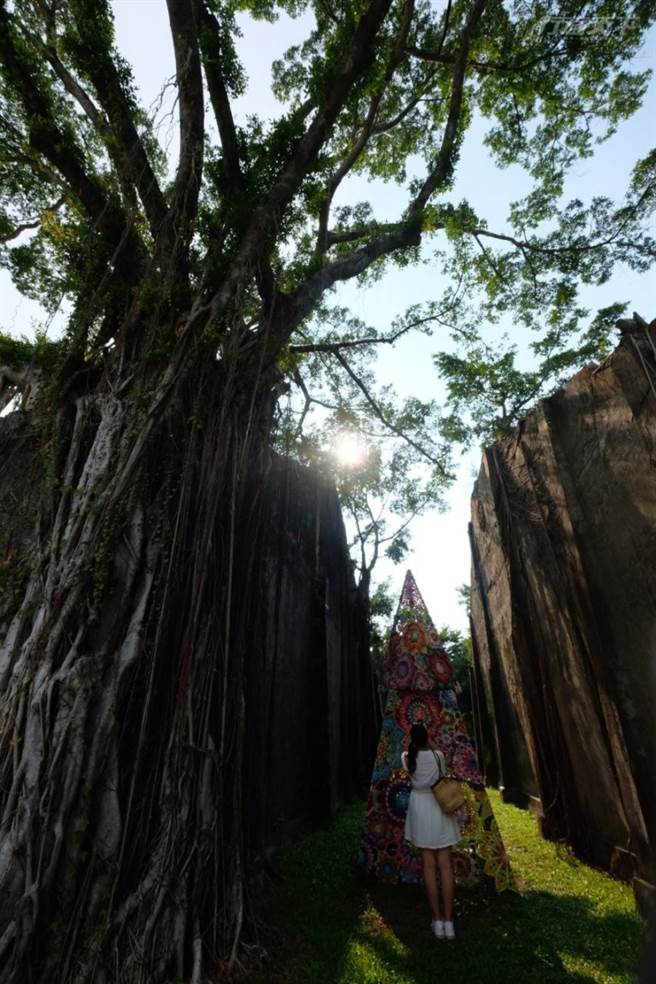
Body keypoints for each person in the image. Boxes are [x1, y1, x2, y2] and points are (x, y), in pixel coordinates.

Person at [401, 723, 460, 940]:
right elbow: (442, 770)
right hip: (439, 808)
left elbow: (409, 759)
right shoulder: (438, 756)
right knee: (445, 866)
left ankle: (436, 920)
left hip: (420, 809)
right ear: (427, 737)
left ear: (412, 739)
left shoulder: (407, 758)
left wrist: (416, 742)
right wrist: (430, 741)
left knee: (428, 865)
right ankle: (448, 922)